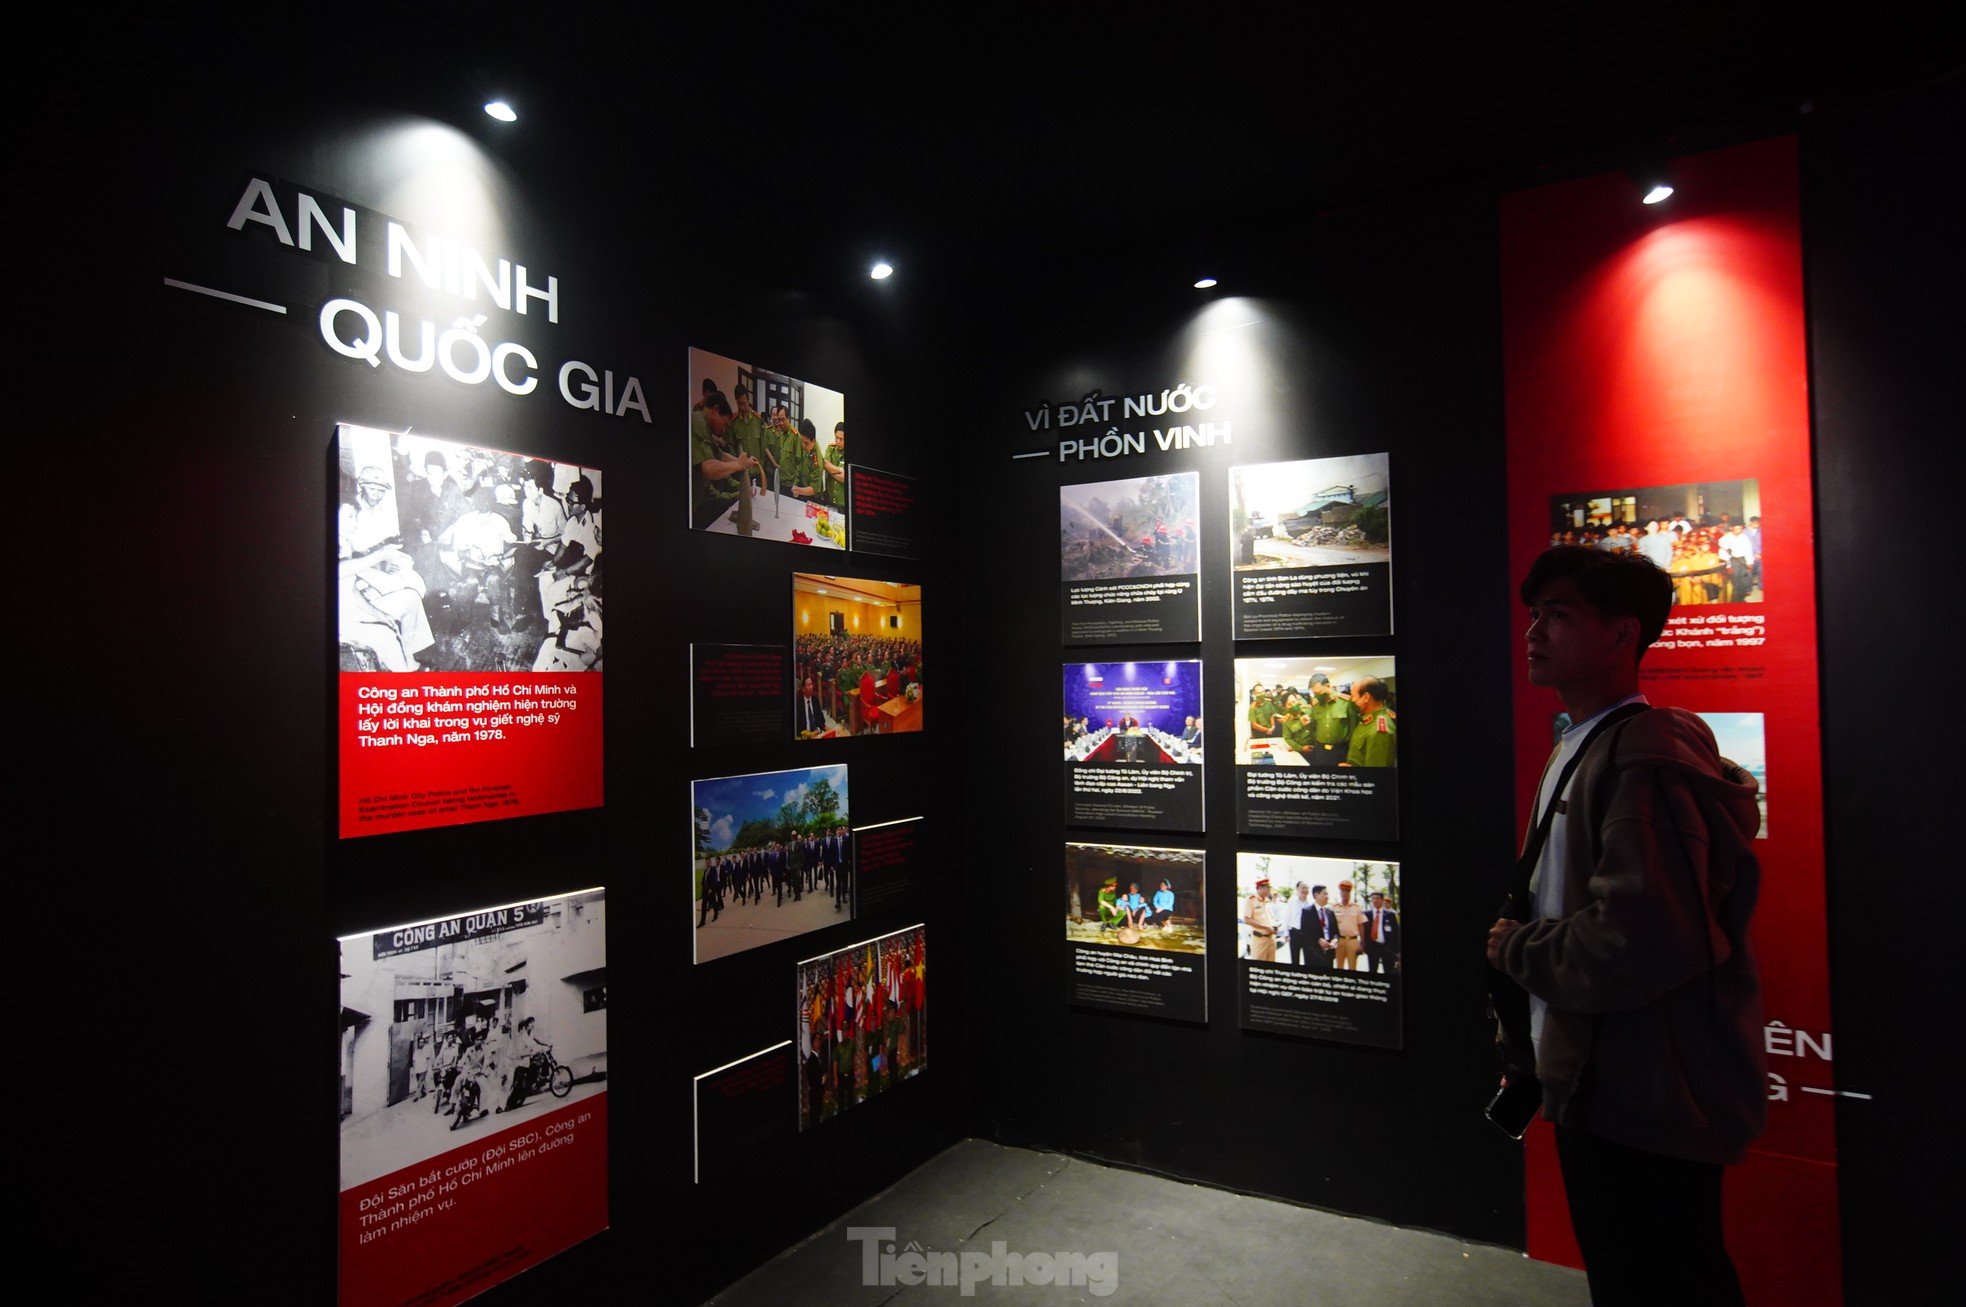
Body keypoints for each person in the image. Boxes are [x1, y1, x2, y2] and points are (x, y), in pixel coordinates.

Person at [1486, 545, 1764, 1307]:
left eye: (1560, 614)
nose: (1535, 632)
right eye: (1535, 614)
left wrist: (1518, 950)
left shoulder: (1641, 755)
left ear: (1620, 634)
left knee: (1662, 1277)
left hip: (1643, 1092)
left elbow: (1643, 936)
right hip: (1601, 1079)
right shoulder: (1581, 742)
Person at [692, 392, 759, 527]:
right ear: (716, 410)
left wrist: (744, 463)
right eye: (725, 422)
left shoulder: (706, 427)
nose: (724, 429)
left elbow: (721, 455)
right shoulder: (698, 422)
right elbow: (709, 468)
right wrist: (739, 465)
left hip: (700, 499)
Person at [1341, 677, 1396, 767]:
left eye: (1353, 696)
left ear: (1366, 697)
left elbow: (1375, 775)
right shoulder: (1366, 720)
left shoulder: (1379, 732)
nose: (1352, 700)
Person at [1307, 673, 1359, 766]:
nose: (1317, 696)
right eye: (1315, 694)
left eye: (1320, 693)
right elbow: (1313, 727)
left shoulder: (1346, 703)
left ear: (1328, 686)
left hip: (1340, 750)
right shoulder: (1315, 705)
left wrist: (1351, 756)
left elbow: (1354, 731)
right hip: (1320, 751)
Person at [1330, 879, 1366, 970]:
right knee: (1339, 966)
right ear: (1340, 892)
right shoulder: (1334, 907)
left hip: (1353, 941)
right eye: (1343, 891)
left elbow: (1361, 926)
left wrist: (1362, 943)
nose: (1345, 893)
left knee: (1352, 967)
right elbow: (1331, 926)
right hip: (1339, 941)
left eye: (1347, 891)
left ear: (1350, 892)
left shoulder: (1356, 908)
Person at [1362, 890, 1400, 973]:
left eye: (1378, 898)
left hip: (1387, 947)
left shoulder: (1390, 915)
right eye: (1373, 898)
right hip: (1372, 947)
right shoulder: (1366, 914)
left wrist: (1397, 950)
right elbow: (1363, 931)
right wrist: (1364, 945)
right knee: (1372, 971)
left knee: (1388, 970)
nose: (1375, 900)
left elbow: (1396, 933)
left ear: (1382, 900)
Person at [1243, 878, 1280, 962]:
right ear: (1260, 888)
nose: (1269, 890)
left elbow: (1269, 918)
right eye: (1267, 887)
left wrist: (1274, 926)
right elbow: (1246, 919)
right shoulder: (1251, 900)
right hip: (1259, 939)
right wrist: (1266, 927)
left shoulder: (1267, 901)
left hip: (1271, 939)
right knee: (1258, 968)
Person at [1285, 881, 1316, 965]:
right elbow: (1287, 917)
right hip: (1295, 933)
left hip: (1307, 934)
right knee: (1295, 959)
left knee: (1308, 959)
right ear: (1297, 889)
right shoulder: (1292, 901)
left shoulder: (1311, 903)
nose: (1304, 889)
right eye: (1302, 887)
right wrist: (1286, 934)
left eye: (1306, 887)